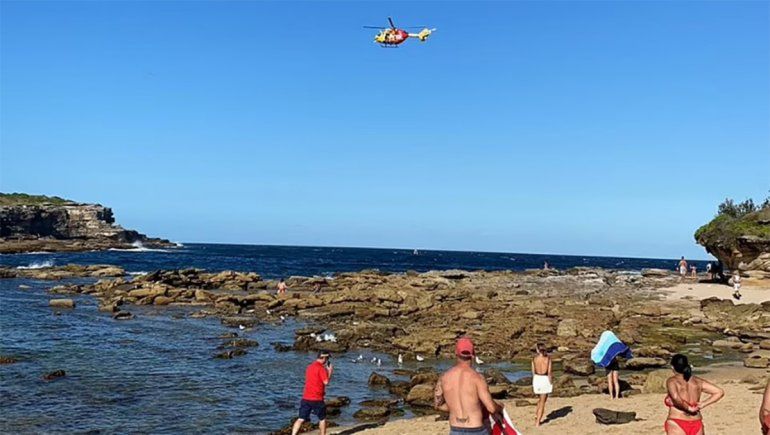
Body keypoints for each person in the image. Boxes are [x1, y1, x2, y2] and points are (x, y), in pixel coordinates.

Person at [434, 337, 503, 435]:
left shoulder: (444, 378)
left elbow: (438, 405)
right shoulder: (477, 378)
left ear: (456, 353)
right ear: (473, 354)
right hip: (476, 430)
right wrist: (500, 406)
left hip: (455, 430)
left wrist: (455, 408)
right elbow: (491, 408)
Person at [664, 354, 724, 435]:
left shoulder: (672, 381)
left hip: (678, 421)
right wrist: (703, 404)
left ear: (672, 367)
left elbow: (676, 397)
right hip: (696, 420)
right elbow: (719, 392)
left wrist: (688, 408)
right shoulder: (697, 381)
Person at [291, 351, 333, 435]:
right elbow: (326, 382)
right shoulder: (321, 368)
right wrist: (330, 371)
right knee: (322, 419)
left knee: (301, 418)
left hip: (306, 397)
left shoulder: (309, 367)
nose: (327, 360)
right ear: (324, 358)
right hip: (317, 398)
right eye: (327, 358)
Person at [531, 343, 553, 427]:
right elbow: (549, 372)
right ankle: (538, 422)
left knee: (541, 399)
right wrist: (550, 382)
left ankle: (537, 415)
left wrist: (534, 381)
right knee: (542, 402)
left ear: (538, 350)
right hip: (544, 379)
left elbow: (533, 372)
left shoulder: (534, 359)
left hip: (537, 378)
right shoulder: (548, 359)